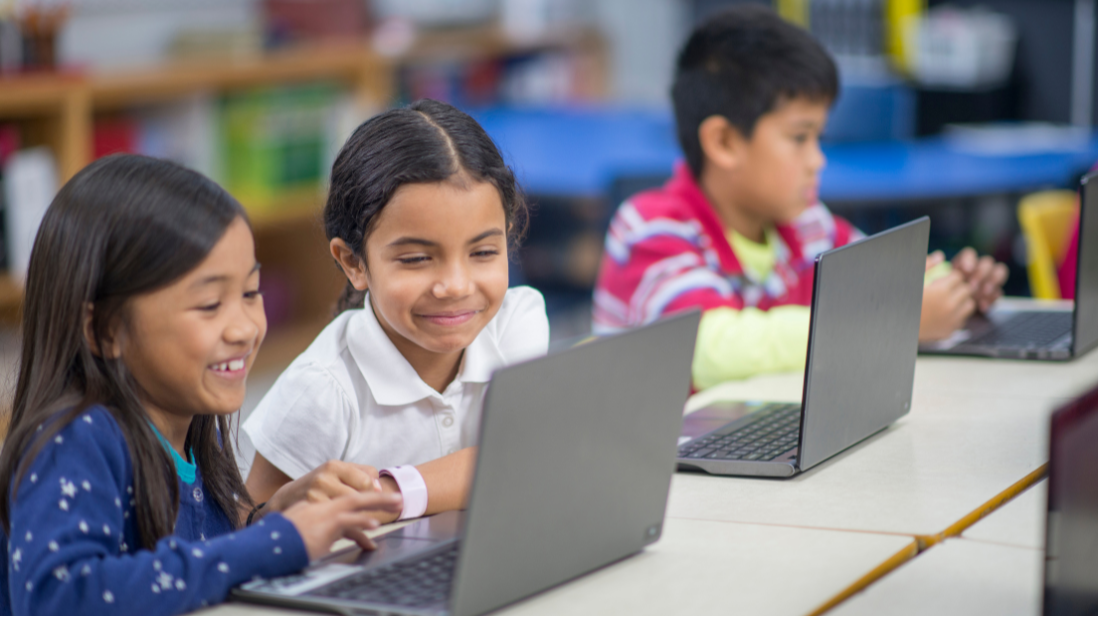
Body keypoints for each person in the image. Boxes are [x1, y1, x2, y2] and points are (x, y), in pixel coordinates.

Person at [0, 155, 402, 615]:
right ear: (104, 329)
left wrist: (261, 521)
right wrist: (274, 543)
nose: (245, 329)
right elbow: (60, 597)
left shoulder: (191, 425)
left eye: (251, 293)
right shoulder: (75, 440)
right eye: (210, 304)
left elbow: (184, 572)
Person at [592, 5, 1008, 390]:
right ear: (723, 142)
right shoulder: (649, 229)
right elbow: (710, 347)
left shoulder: (807, 224)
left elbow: (884, 282)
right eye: (799, 137)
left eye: (818, 137)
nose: (817, 160)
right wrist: (895, 322)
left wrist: (951, 291)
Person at [243, 100, 549, 525]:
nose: (456, 286)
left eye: (482, 252)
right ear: (353, 262)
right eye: (417, 259)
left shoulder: (516, 321)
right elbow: (248, 521)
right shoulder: (321, 390)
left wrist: (383, 495)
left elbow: (520, 455)